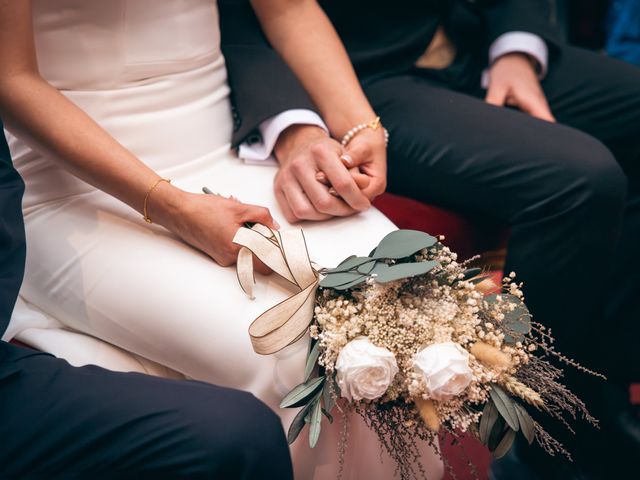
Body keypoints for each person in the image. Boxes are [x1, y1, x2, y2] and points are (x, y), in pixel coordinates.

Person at [0, 1, 443, 478]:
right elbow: (11, 79)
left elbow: (288, 9)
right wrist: (174, 208)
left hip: (226, 154)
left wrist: (360, 126)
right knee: (294, 352)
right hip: (79, 189)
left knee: (405, 294)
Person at [218, 0, 640, 478]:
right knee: (583, 179)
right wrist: (295, 122)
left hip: (467, 36)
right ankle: (538, 432)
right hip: (354, 79)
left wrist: (515, 48)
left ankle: (608, 387)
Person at [0, 122, 294, 479]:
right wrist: (178, 209)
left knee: (246, 433)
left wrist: (301, 132)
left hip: (213, 144)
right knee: (281, 354)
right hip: (74, 192)